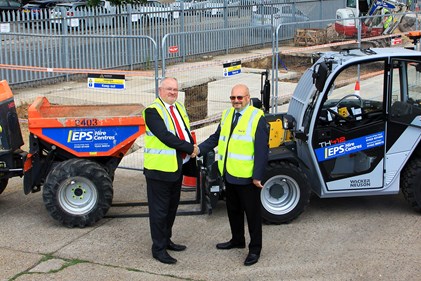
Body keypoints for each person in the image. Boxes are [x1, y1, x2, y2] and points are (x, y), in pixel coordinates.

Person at [198, 84, 269, 266]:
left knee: (252, 215)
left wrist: (257, 176)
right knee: (234, 211)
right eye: (233, 98)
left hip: (247, 178)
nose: (236, 101)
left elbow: (262, 150)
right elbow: (216, 138)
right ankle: (237, 240)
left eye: (239, 97)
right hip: (229, 174)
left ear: (247, 97)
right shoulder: (228, 114)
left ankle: (255, 249)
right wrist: (197, 149)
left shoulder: (256, 117)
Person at [143, 77, 199, 264]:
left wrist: (192, 148)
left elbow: (184, 131)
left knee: (171, 209)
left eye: (175, 89)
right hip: (159, 171)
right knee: (159, 212)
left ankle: (167, 241)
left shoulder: (179, 108)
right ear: (160, 90)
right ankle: (158, 249)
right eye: (169, 89)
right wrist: (190, 148)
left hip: (176, 168)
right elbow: (166, 137)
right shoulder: (152, 111)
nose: (173, 92)